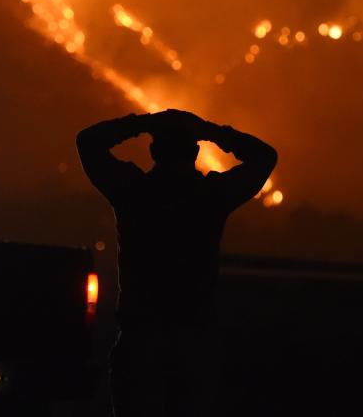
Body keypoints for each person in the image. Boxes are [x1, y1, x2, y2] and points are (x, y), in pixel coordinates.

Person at [76, 109, 278, 417]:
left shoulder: (134, 192)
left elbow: (88, 141)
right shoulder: (212, 195)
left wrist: (142, 123)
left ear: (153, 150)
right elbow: (264, 157)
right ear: (196, 152)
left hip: (141, 342)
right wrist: (211, 130)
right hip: (195, 344)